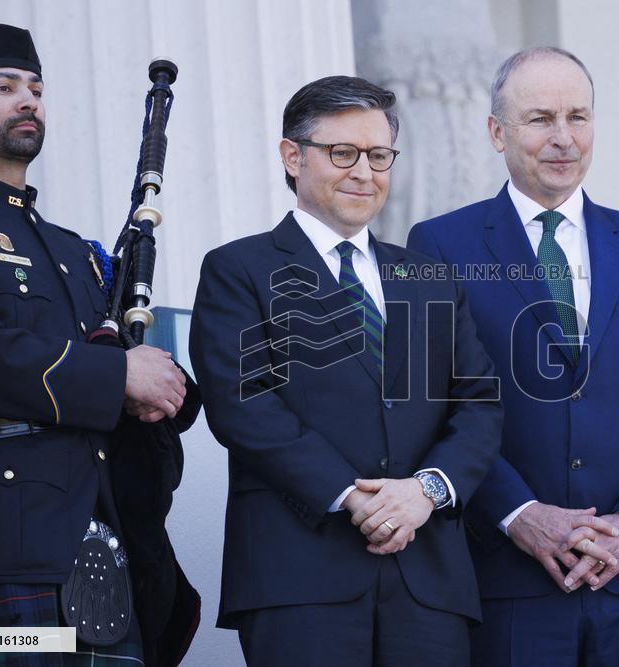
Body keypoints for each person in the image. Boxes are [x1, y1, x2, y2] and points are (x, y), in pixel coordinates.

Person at [408, 46, 619, 666]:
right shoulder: (438, 245)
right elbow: (430, 402)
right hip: (507, 580)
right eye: (541, 118)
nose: (564, 138)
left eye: (579, 116)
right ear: (497, 132)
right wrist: (516, 513)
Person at [189, 75, 502, 666]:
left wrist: (426, 492)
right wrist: (351, 497)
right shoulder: (239, 269)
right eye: (343, 153)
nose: (365, 171)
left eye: (379, 155)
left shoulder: (430, 277)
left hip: (428, 581)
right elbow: (244, 403)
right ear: (292, 156)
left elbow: (479, 404)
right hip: (300, 578)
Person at [0, 23, 191, 665]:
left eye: (36, 88)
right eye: (5, 86)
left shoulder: (79, 254)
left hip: (101, 552)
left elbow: (125, 367)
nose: (29, 100)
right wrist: (116, 377)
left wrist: (162, 385)